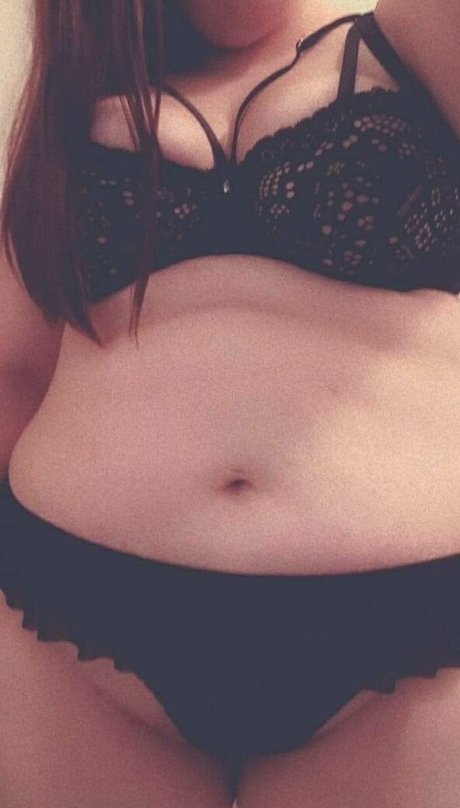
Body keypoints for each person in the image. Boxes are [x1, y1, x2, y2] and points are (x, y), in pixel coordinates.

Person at [1, 0, 460, 805]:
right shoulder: (73, 108)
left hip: (409, 634)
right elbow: (15, 369)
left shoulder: (413, 35)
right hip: (73, 619)